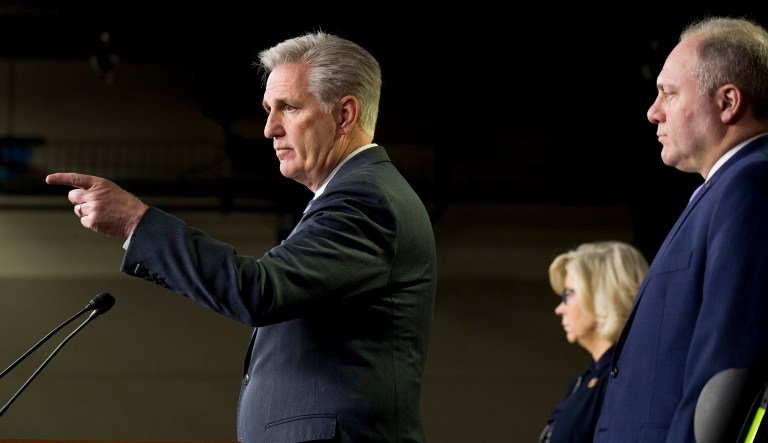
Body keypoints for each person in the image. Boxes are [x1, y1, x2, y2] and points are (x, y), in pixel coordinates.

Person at [46, 31, 437, 443]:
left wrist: (135, 222)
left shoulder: (365, 198)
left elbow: (259, 291)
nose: (269, 128)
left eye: (288, 107)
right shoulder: (356, 195)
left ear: (344, 116)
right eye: (269, 109)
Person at [593, 16, 768, 442]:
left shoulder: (751, 186)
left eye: (668, 93)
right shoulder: (725, 190)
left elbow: (726, 371)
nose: (653, 112)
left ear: (728, 102)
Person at [539, 241, 648, 443]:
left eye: (567, 295)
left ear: (603, 296)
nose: (559, 309)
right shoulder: (583, 381)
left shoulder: (628, 379)